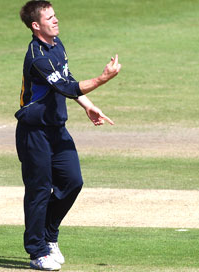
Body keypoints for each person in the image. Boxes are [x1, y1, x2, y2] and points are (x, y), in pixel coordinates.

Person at [15, 1, 121, 270]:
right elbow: (66, 86)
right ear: (35, 25)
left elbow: (67, 77)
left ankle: (49, 236)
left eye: (55, 15)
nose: (56, 20)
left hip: (57, 130)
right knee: (39, 192)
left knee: (72, 181)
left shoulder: (57, 44)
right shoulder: (38, 57)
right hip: (34, 132)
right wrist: (102, 79)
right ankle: (37, 252)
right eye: (49, 18)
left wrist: (88, 105)